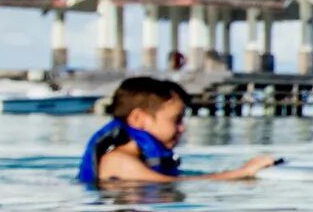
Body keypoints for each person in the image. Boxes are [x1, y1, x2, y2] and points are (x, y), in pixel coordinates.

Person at [76, 76, 279, 187]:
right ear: (138, 119)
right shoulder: (119, 161)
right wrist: (241, 173)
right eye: (176, 120)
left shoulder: (141, 159)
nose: (182, 128)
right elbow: (169, 183)